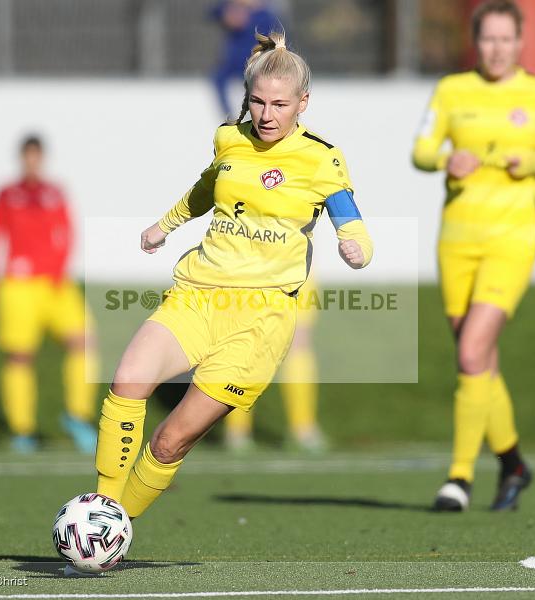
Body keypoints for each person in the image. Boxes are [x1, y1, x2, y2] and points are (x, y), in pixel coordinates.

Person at [95, 31, 373, 519]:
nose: (267, 115)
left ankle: (117, 523)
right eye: (258, 102)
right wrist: (164, 226)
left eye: (280, 104)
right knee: (128, 380)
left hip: (260, 321)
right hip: (197, 296)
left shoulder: (322, 158)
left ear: (303, 102)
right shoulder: (229, 138)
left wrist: (357, 249)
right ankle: (101, 511)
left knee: (169, 441)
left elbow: (352, 223)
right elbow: (205, 189)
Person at [411, 0, 535, 511]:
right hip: (457, 240)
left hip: (513, 237)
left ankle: (459, 478)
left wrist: (533, 161)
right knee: (480, 359)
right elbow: (421, 150)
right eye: (488, 39)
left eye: (506, 39)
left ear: (520, 41)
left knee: (469, 354)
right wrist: (446, 159)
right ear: (475, 41)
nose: (497, 49)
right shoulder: (451, 89)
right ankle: (514, 464)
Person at [0, 135, 99, 454]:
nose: (32, 162)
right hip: (18, 285)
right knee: (20, 356)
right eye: (27, 156)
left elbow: (68, 230)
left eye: (36, 156)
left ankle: (77, 415)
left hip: (55, 283)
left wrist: (59, 266)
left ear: (42, 158)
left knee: (85, 341)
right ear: (21, 158)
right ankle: (23, 430)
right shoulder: (6, 194)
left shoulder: (54, 192)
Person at [222, 276, 328, 453]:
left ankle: (303, 428)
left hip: (295, 267)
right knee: (246, 340)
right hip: (246, 267)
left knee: (298, 339)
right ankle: (236, 430)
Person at [211, 0, 281, 118]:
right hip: (234, 62)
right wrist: (227, 13)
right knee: (219, 79)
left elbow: (276, 33)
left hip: (258, 62)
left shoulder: (266, 12)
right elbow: (214, 12)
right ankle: (230, 117)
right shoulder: (233, 6)